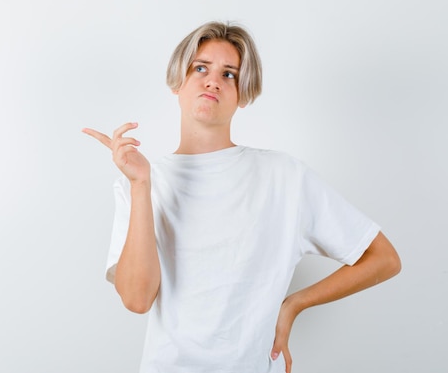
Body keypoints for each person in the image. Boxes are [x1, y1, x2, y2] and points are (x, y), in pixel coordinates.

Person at [82, 21, 401, 373]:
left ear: (243, 93)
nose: (213, 80)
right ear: (178, 82)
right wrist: (141, 185)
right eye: (200, 67)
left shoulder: (285, 177)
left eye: (229, 74)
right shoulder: (140, 181)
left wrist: (294, 303)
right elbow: (137, 299)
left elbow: (383, 258)